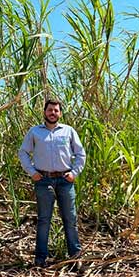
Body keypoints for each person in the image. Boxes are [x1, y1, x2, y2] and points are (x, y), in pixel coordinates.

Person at [18, 98, 86, 268]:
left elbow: (80, 154)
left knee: (70, 219)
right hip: (43, 180)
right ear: (44, 112)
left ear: (60, 113)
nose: (53, 113)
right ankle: (40, 260)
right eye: (50, 110)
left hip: (65, 180)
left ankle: (75, 258)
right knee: (44, 220)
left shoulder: (68, 131)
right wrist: (32, 172)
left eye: (56, 110)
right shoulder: (35, 132)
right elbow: (23, 152)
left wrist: (74, 172)